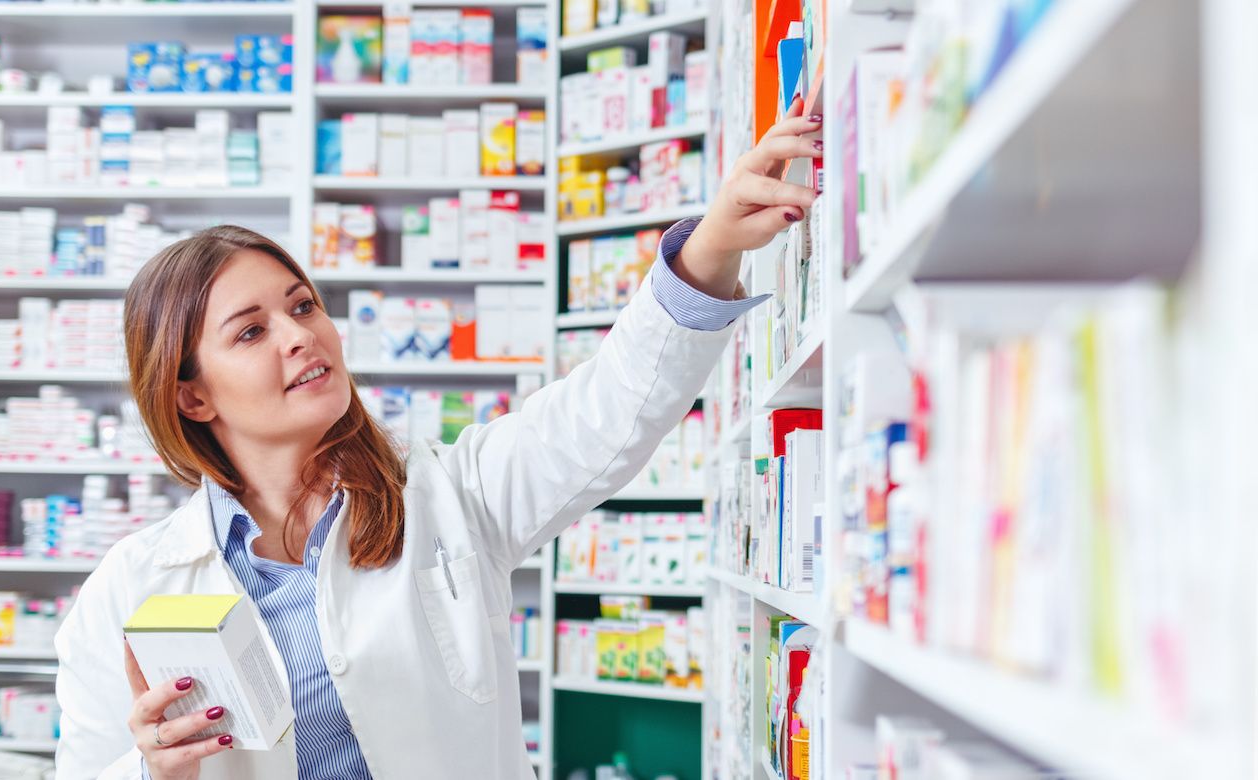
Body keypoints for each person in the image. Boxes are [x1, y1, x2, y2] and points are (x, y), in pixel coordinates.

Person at [53, 101, 822, 779]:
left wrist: (712, 247)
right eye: (252, 331)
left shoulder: (452, 494)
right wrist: (155, 771)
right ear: (190, 394)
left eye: (303, 306)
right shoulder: (128, 591)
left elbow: (609, 409)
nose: (299, 335)